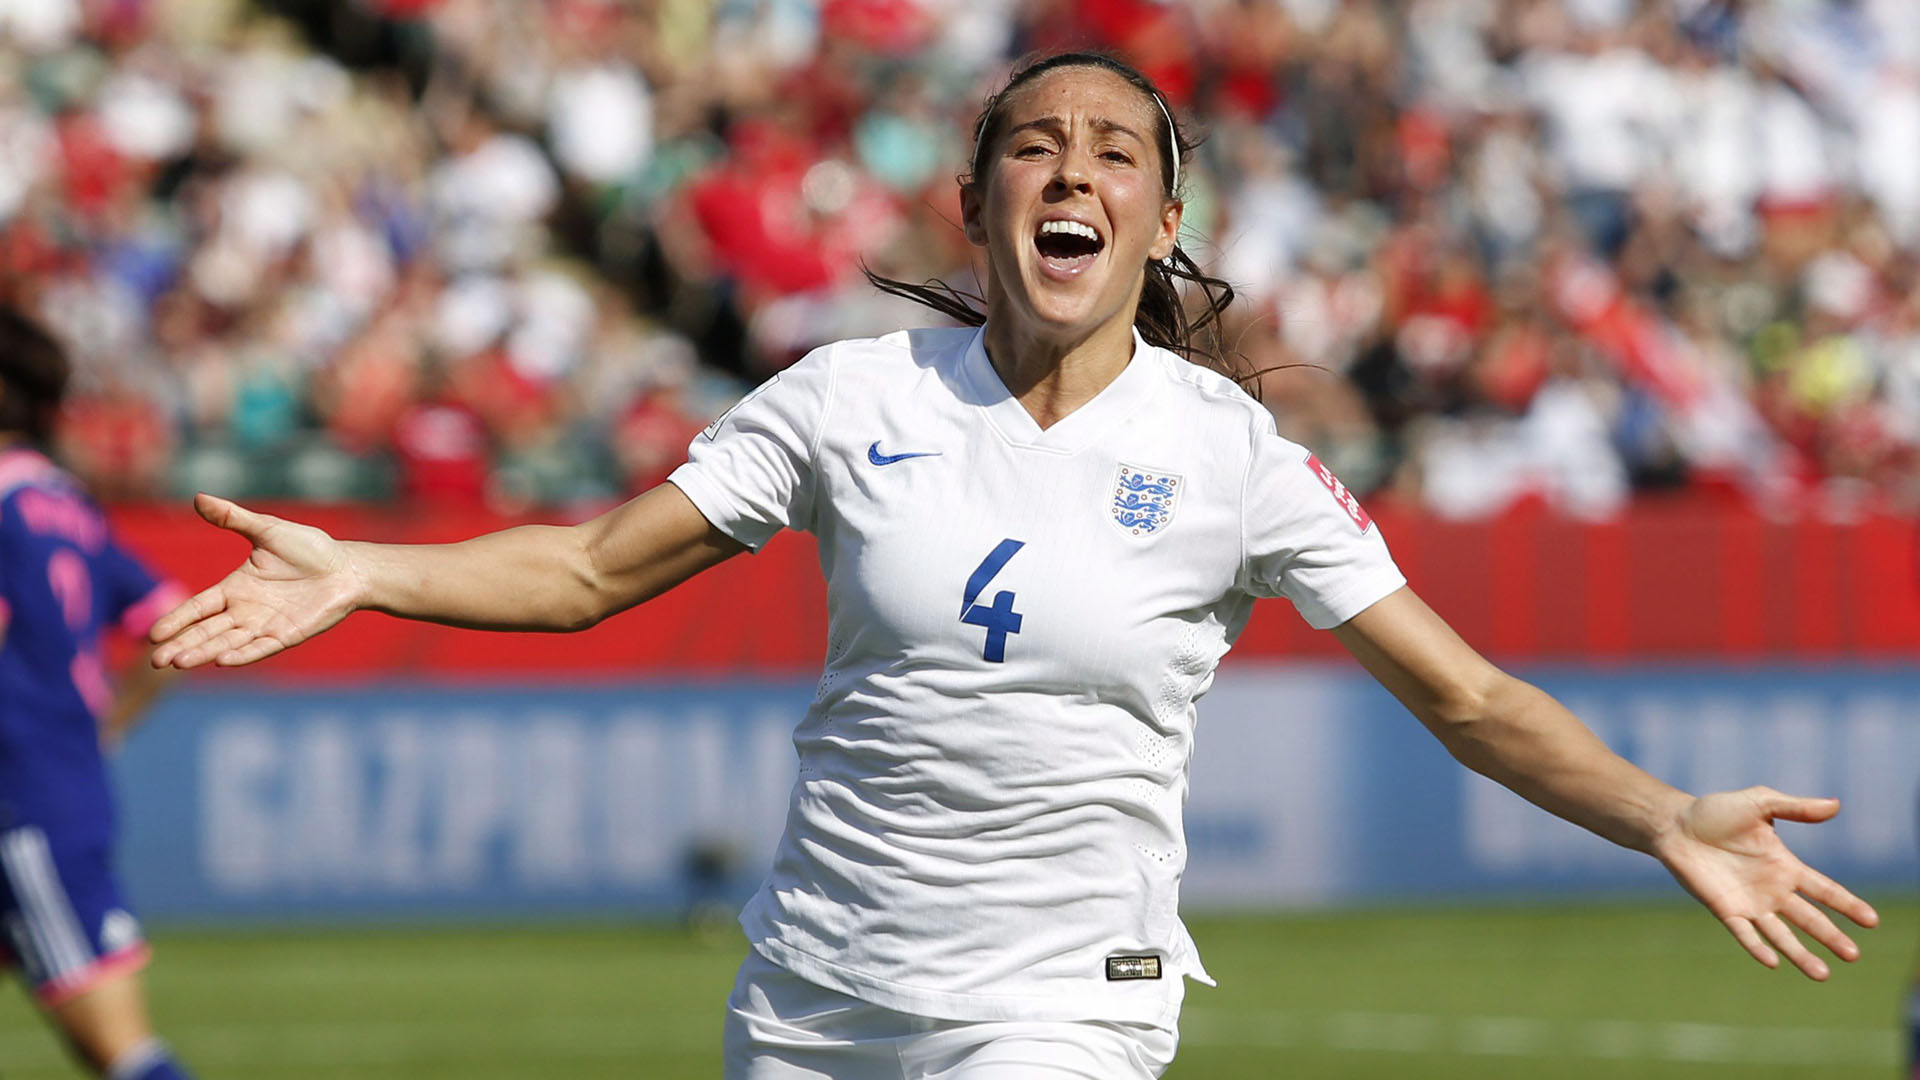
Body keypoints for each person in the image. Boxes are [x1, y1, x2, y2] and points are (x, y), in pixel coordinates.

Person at [149, 51, 1877, 1080]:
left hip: (1060, 1009)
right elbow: (596, 567)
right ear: (977, 203)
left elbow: (1469, 695)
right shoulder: (848, 398)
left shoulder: (1233, 458)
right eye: (1036, 148)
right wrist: (372, 569)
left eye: (1115, 153)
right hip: (816, 995)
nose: (1074, 173)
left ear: (1161, 221)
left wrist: (1659, 815)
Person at [0, 307, 192, 1080]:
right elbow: (172, 624)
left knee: (122, 1054)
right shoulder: (64, 502)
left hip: (21, 799)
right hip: (56, 781)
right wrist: (105, 723)